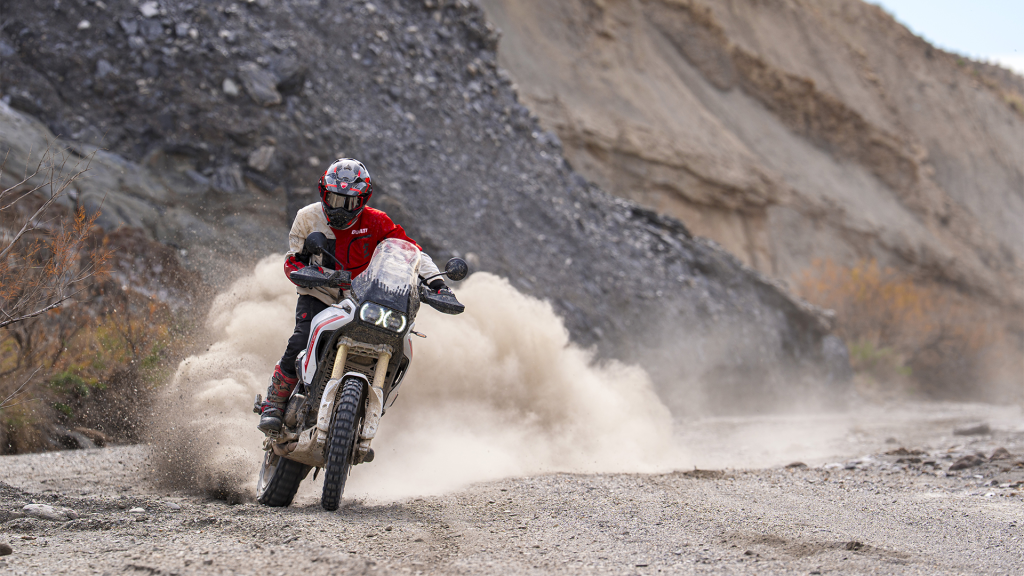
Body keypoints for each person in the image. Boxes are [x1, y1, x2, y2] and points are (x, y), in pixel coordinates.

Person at [257, 158, 451, 433]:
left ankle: (362, 417)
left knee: (395, 337)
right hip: (321, 293)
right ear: (323, 193)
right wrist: (316, 275)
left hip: (365, 299)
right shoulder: (308, 217)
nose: (339, 208)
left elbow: (412, 252)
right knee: (300, 338)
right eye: (334, 199)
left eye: (348, 202)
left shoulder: (377, 221)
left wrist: (438, 285)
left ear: (363, 200)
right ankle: (274, 405)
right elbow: (293, 261)